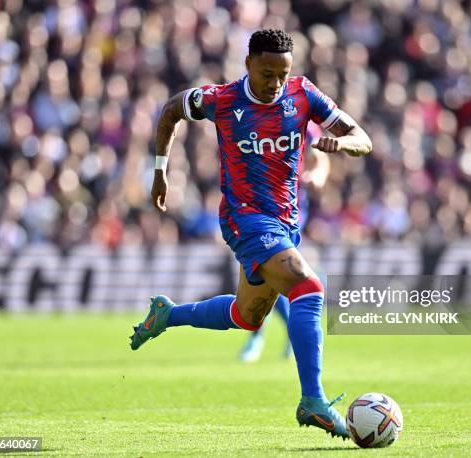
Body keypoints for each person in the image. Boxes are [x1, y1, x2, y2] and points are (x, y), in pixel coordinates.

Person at [129, 29, 372, 439]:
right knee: (308, 289)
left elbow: (363, 138)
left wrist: (344, 145)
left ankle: (167, 315)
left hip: (286, 223)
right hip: (246, 218)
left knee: (247, 315)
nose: (275, 82)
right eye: (267, 72)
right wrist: (159, 170)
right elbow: (171, 110)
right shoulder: (221, 99)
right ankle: (312, 399)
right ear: (248, 64)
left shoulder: (303, 94)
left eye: (283, 73)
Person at [239, 123, 330, 363]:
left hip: (289, 212)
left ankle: (263, 335)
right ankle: (292, 330)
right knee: (266, 277)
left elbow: (320, 158)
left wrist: (316, 176)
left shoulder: (303, 121)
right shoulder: (251, 115)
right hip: (255, 210)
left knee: (269, 275)